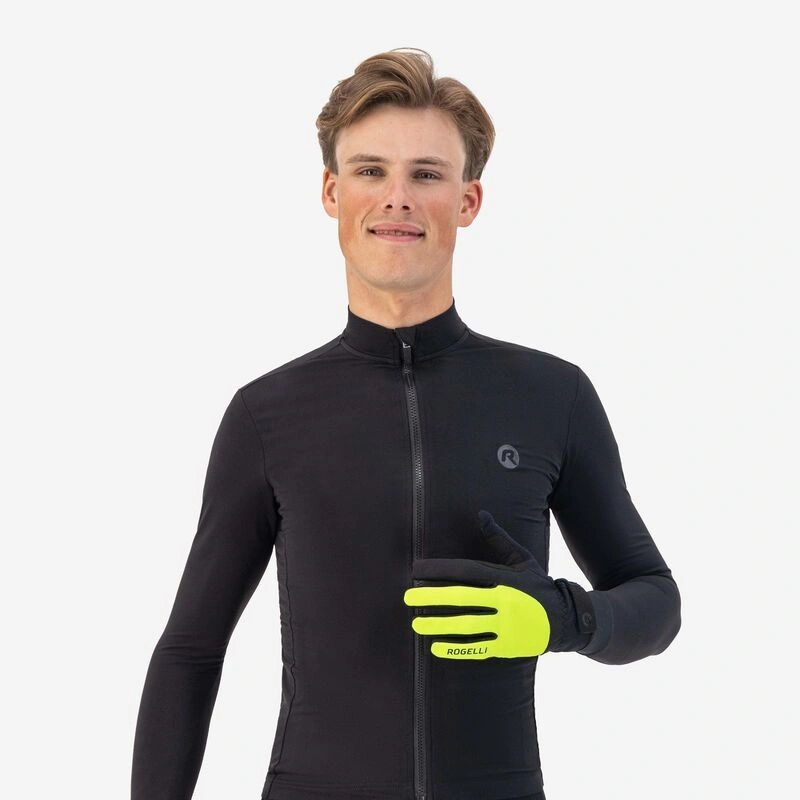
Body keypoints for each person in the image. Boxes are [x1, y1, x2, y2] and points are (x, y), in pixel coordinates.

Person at [131, 47, 681, 800]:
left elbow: (655, 601)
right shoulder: (267, 414)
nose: (397, 198)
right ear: (332, 192)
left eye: (426, 174)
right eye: (370, 170)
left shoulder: (551, 396)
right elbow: (191, 651)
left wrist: (562, 618)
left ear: (468, 200)